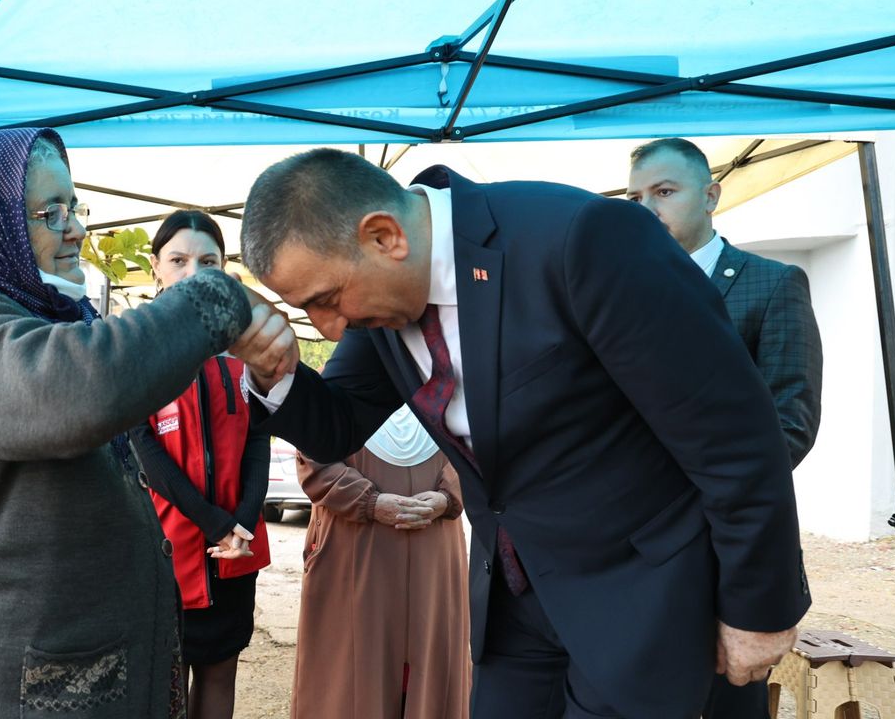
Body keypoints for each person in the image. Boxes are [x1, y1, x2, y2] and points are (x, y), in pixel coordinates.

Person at [230, 148, 810, 718]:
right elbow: (337, 426)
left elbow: (734, 436)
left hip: (639, 599)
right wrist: (271, 371)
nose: (330, 327)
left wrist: (759, 608)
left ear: (384, 236)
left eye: (327, 300)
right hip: (515, 607)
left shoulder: (581, 239)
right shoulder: (380, 298)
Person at [0, 128, 256, 719]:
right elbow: (77, 390)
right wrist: (215, 297)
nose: (76, 230)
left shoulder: (25, 311)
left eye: (74, 207)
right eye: (50, 212)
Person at [627, 137, 824, 718]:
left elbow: (791, 422)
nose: (647, 209)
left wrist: (695, 491)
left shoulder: (773, 283)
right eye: (635, 198)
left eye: (664, 191)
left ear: (711, 195)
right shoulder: (616, 290)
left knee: (724, 701)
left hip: (728, 544)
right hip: (631, 545)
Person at [128, 210, 271, 719]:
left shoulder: (246, 346)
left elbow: (258, 439)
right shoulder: (137, 347)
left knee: (221, 671)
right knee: (168, 685)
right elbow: (146, 453)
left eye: (207, 261)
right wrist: (216, 524)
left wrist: (243, 523)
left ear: (224, 267)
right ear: (155, 267)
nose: (193, 272)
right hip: (171, 549)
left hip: (237, 547)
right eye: (178, 260)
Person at [291, 405, 470, 719]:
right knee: (349, 677)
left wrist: (448, 496)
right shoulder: (335, 389)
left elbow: (478, 449)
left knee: (431, 664)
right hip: (354, 552)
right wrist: (368, 501)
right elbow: (313, 453)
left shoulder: (451, 391)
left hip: (435, 550)